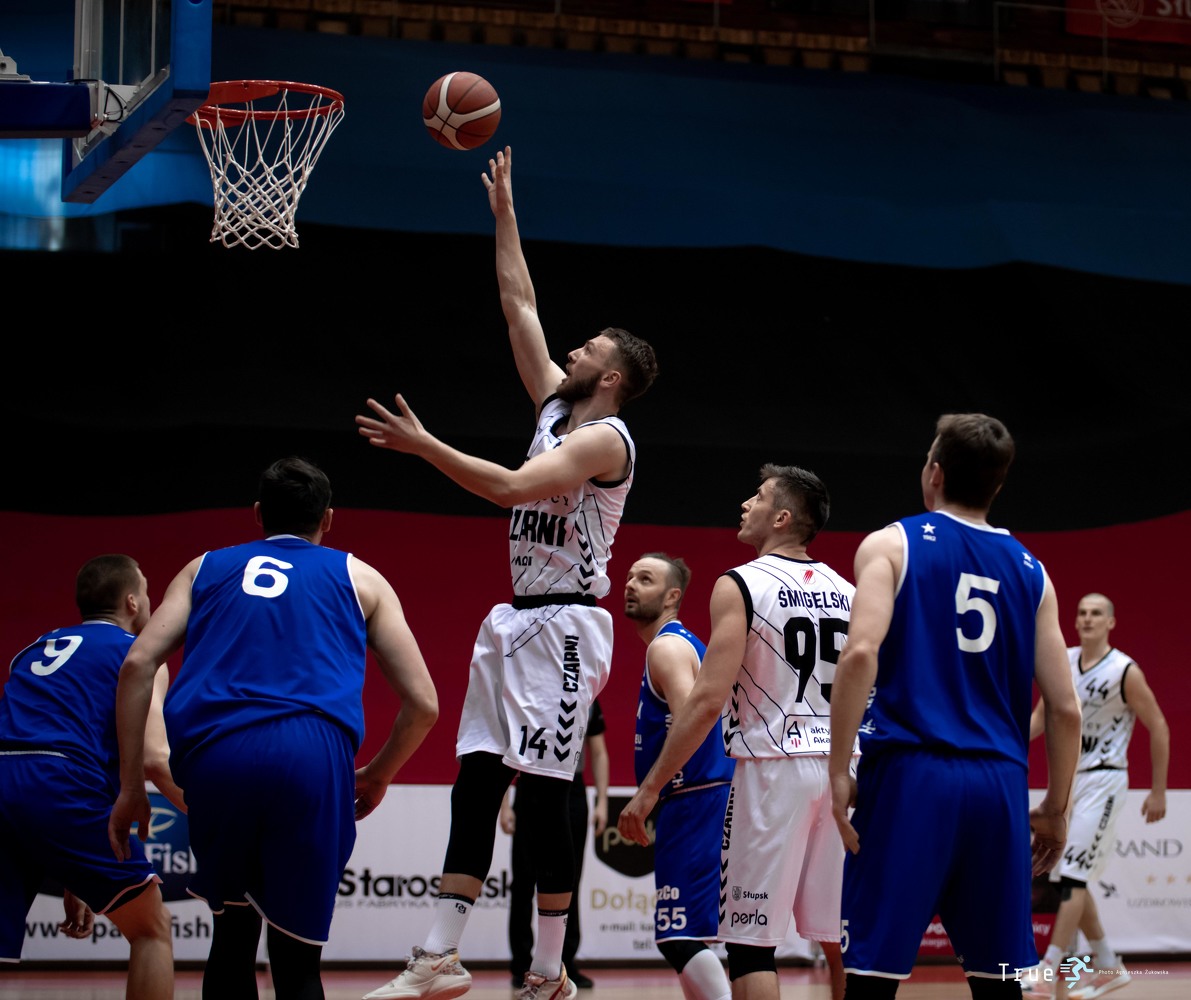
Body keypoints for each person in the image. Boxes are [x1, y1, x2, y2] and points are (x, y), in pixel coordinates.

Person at [356, 144, 659, 1000]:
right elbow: (518, 303)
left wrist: (424, 446)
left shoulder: (605, 440)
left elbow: (509, 489)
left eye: (588, 346)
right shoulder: (557, 407)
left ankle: (548, 969)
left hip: (566, 624)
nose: (572, 346)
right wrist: (504, 215)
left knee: (549, 796)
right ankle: (439, 954)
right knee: (478, 778)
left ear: (610, 377)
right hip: (516, 617)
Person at [108, 456, 440, 1000]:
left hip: (219, 754)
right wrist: (378, 775)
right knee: (298, 961)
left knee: (231, 940)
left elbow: (137, 664)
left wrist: (130, 788)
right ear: (328, 519)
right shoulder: (362, 577)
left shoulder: (202, 568)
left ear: (258, 513)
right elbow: (423, 704)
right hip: (312, 756)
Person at [827, 412, 1083, 1000]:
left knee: (871, 977)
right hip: (999, 783)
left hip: (910, 775)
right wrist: (1055, 807)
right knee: (999, 981)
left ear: (935, 473)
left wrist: (839, 769)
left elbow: (860, 652)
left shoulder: (892, 543)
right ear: (998, 484)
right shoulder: (1032, 571)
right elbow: (1065, 707)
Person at [618, 466, 853, 1000]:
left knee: (749, 947)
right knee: (841, 938)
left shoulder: (741, 582)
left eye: (759, 497)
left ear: (782, 517)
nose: (746, 503)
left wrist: (649, 790)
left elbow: (705, 702)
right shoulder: (849, 590)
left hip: (772, 768)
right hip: (842, 771)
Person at [0, 554, 181, 998]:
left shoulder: (33, 650)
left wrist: (74, 874)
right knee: (152, 930)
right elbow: (155, 758)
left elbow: (38, 745)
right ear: (133, 602)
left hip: (9, 775)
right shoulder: (141, 655)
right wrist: (216, 815)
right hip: (58, 782)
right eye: (147, 591)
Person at [1022, 593, 1169, 1000]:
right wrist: (1007, 741)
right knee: (1071, 875)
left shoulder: (1125, 670)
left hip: (1105, 780)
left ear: (1111, 623)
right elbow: (1041, 716)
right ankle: (1108, 965)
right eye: (1082, 613)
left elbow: (1158, 725)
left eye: (1096, 613)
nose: (1087, 619)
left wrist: (1158, 790)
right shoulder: (1065, 659)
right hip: (1072, 779)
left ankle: (1048, 970)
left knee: (1072, 876)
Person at [621, 552, 735, 1000]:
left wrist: (647, 792)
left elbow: (693, 723)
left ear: (672, 597)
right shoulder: (680, 644)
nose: (631, 584)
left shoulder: (666, 647)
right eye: (630, 577)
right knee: (692, 935)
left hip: (697, 796)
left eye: (645, 579)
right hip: (701, 797)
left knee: (678, 935)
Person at [501, 698, 609, 989]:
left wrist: (602, 801)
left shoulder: (587, 693)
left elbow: (598, 751)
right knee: (524, 879)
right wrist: (505, 805)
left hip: (573, 789)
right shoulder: (530, 692)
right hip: (531, 784)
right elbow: (507, 746)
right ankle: (521, 963)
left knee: (569, 879)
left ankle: (565, 963)